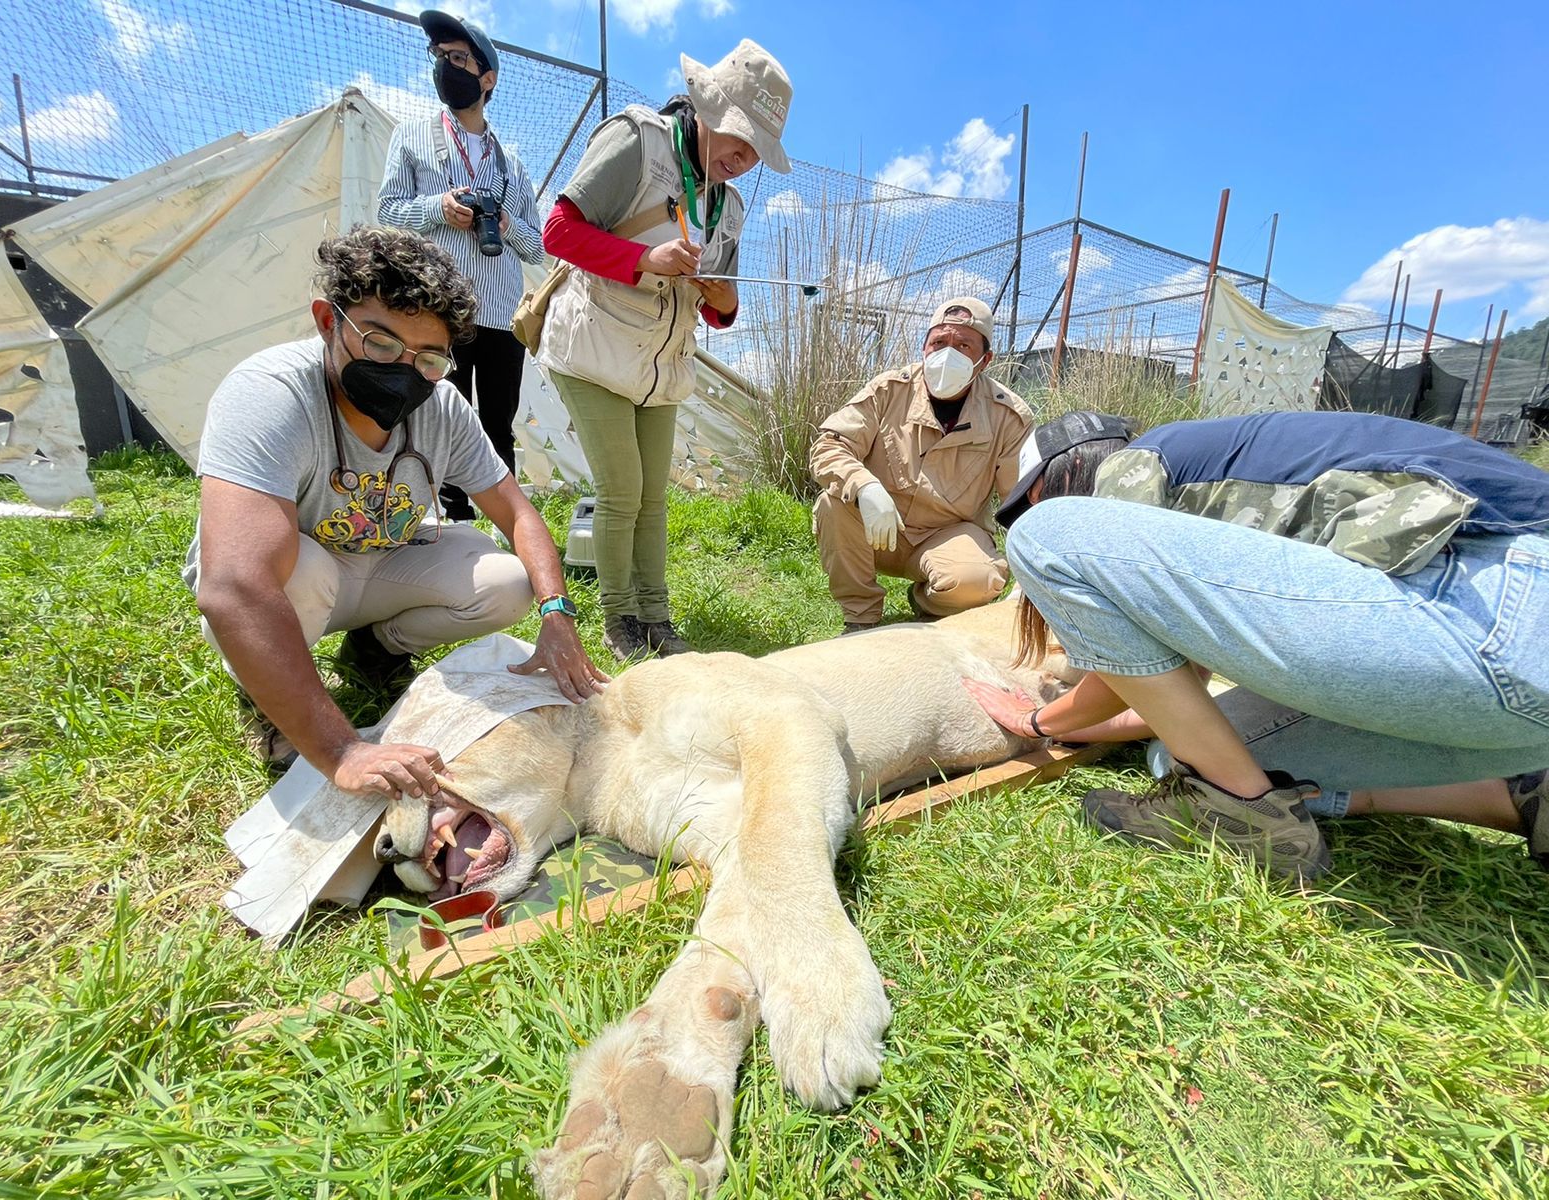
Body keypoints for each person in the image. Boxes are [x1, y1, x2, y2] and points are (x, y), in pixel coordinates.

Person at [966, 409, 1549, 880]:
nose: (1027, 514)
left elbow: (1144, 681)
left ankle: (1244, 810)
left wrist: (1039, 721)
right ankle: (1520, 797)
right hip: (1503, 680)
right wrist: (1084, 723)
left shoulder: (1134, 468)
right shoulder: (1210, 470)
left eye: (1030, 499)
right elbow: (1172, 698)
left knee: (1055, 537)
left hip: (1500, 598)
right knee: (1187, 755)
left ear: (1064, 474)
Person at [186, 226, 606, 801]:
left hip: (376, 565)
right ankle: (272, 702)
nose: (403, 370)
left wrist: (557, 615)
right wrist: (343, 751)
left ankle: (377, 649)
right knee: (299, 568)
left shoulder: (443, 408)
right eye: (381, 345)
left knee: (506, 581)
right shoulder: (270, 392)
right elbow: (235, 586)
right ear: (328, 321)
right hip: (296, 588)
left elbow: (519, 516)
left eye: (429, 359)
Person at [535, 39, 794, 660]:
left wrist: (722, 296)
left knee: (654, 495)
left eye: (757, 147)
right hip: (594, 345)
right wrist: (644, 259)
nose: (745, 156)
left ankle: (657, 618)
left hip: (660, 365)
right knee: (622, 488)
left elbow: (720, 312)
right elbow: (558, 231)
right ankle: (617, 620)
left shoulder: (727, 207)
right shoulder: (638, 140)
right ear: (706, 106)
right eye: (739, 136)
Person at [378, 9, 544, 515]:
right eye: (439, 57)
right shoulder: (411, 137)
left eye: (456, 58)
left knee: (499, 422)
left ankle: (505, 521)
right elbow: (386, 212)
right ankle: (444, 520)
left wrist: (504, 223)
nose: (443, 67)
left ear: (486, 77)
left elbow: (537, 247)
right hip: (436, 314)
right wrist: (438, 209)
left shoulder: (510, 164)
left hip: (498, 315)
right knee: (433, 416)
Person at [810, 297, 1033, 634]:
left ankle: (929, 602)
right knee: (833, 504)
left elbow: (1023, 501)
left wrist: (1032, 577)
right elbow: (828, 446)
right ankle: (860, 618)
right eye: (939, 342)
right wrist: (864, 485)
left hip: (948, 534)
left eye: (963, 345)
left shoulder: (1008, 415)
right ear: (924, 347)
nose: (948, 354)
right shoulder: (889, 389)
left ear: (985, 360)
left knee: (978, 580)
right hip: (880, 526)